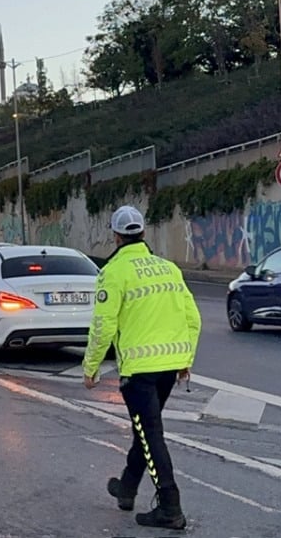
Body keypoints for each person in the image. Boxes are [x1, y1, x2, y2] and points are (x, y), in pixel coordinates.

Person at [82, 205, 202, 530]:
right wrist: (185, 360)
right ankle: (127, 487)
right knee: (145, 428)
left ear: (116, 236)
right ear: (144, 233)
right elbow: (193, 319)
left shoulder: (113, 271)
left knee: (150, 434)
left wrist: (90, 366)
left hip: (139, 371)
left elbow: (103, 325)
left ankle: (169, 504)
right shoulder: (168, 268)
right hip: (169, 366)